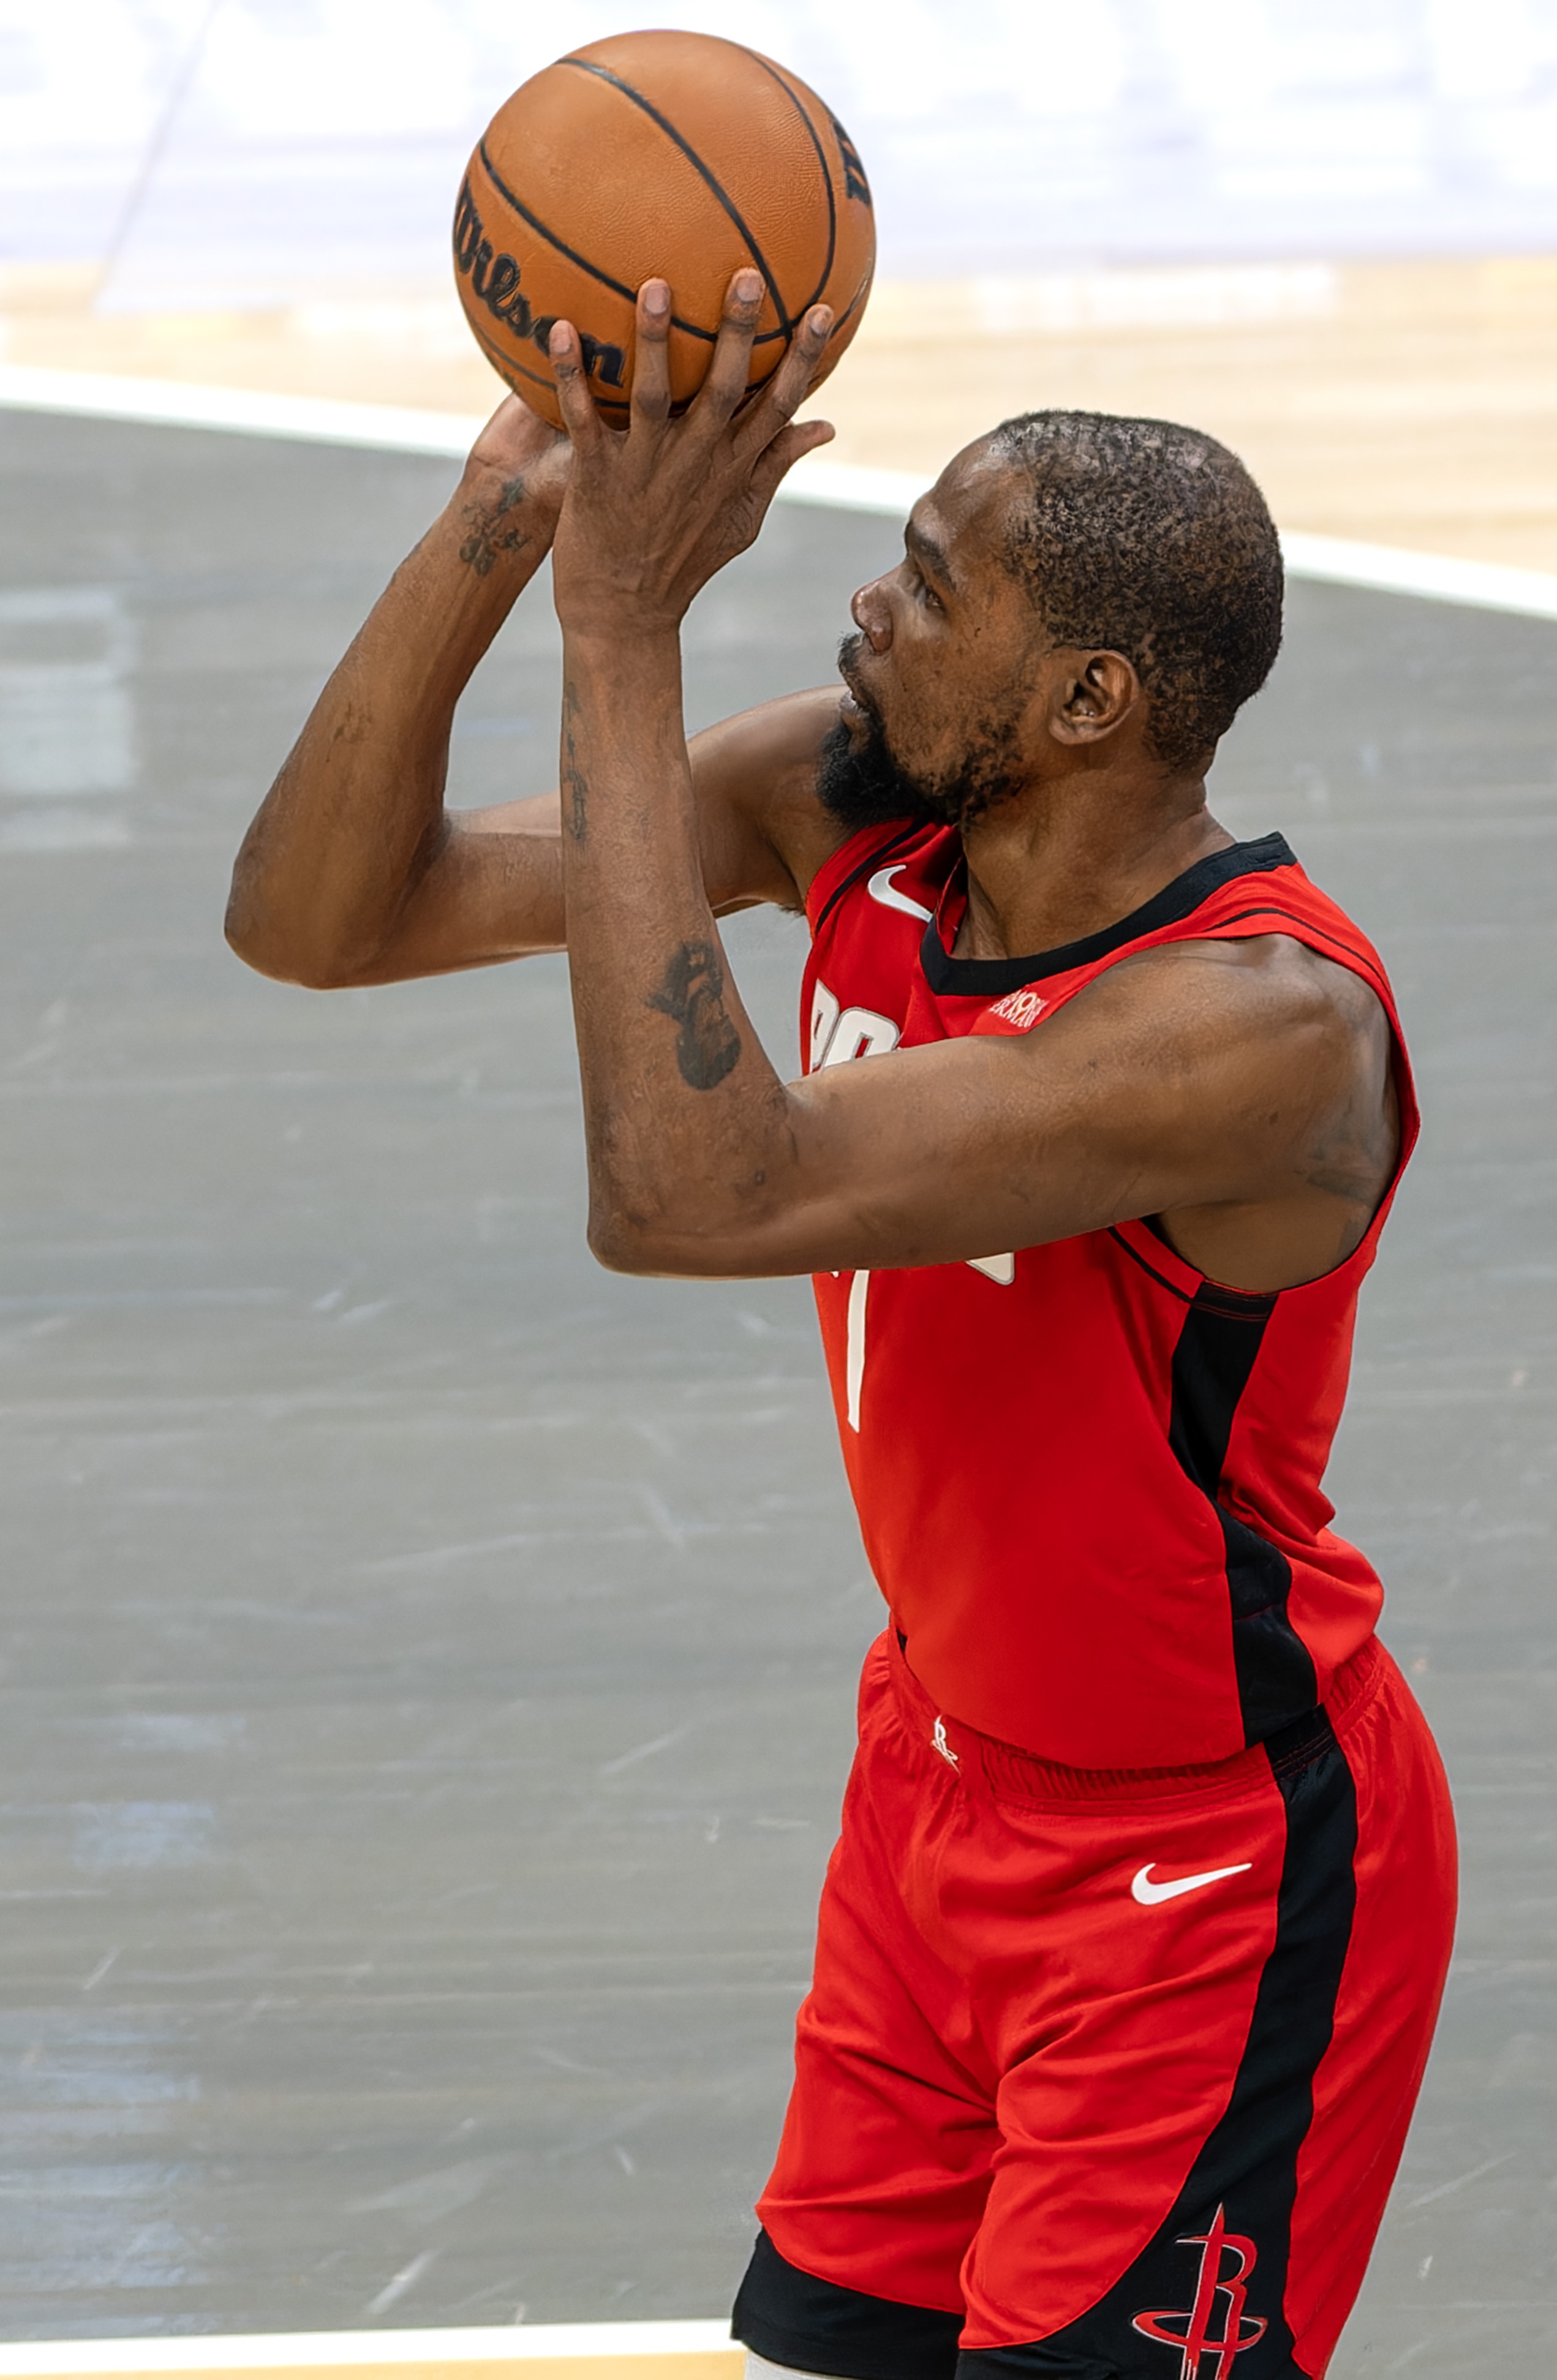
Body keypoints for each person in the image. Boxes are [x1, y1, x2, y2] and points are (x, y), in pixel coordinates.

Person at [227, 271, 1457, 2380]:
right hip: (932, 1798)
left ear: (1085, 699)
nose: (864, 607)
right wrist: (502, 521)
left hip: (1201, 1868)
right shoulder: (859, 803)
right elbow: (323, 917)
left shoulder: (1257, 1031)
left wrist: (622, 629)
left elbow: (691, 1194)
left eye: (928, 583)